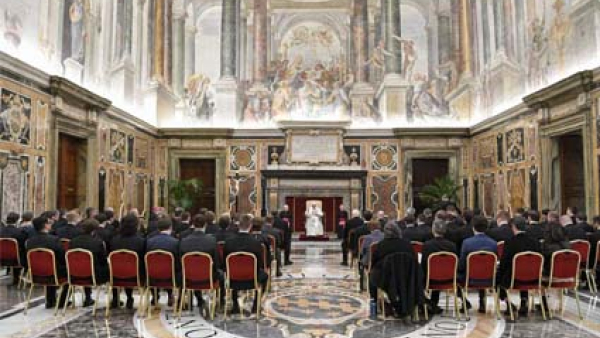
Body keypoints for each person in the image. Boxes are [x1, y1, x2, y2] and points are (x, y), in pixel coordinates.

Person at [496, 216, 542, 316]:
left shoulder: (510, 242)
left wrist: (498, 273)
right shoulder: (535, 242)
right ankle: (524, 300)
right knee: (524, 269)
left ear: (513, 226)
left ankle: (508, 302)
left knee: (499, 277)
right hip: (534, 277)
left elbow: (504, 262)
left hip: (514, 278)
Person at [224, 214, 268, 313]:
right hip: (252, 279)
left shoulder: (229, 242)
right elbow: (260, 264)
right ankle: (256, 305)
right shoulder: (256, 243)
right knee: (265, 276)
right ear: (250, 226)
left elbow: (225, 262)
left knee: (232, 269)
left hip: (232, 280)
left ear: (238, 226)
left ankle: (235, 304)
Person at [179, 214, 222, 312]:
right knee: (221, 275)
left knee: (189, 270)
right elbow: (217, 262)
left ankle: (183, 301)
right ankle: (220, 303)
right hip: (208, 278)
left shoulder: (184, 241)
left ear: (193, 224)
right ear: (205, 225)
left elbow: (180, 261)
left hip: (188, 278)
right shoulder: (211, 241)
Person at [26, 217, 69, 309]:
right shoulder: (54, 240)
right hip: (54, 273)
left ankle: (50, 301)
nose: (51, 225)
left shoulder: (29, 241)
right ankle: (62, 301)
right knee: (69, 272)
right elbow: (62, 256)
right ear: (45, 225)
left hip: (35, 273)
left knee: (51, 267)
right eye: (49, 223)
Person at [458, 216, 497, 313]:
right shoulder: (493, 243)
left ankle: (464, 301)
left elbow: (462, 265)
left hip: (470, 279)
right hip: (489, 279)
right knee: (483, 269)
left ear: (473, 227)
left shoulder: (467, 243)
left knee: (455, 276)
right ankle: (482, 301)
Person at [369, 222, 414, 302]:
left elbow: (374, 263)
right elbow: (414, 260)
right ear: (398, 231)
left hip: (386, 279)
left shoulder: (380, 245)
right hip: (406, 276)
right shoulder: (407, 244)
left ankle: (374, 303)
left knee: (372, 275)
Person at [70, 218, 109, 307]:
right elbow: (102, 260)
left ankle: (88, 296)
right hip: (93, 275)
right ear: (95, 230)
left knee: (85, 266)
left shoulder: (73, 241)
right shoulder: (98, 242)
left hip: (74, 274)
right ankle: (115, 298)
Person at [110, 214, 146, 309]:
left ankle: (115, 298)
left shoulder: (114, 240)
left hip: (115, 275)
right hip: (136, 275)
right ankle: (130, 297)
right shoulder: (141, 241)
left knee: (117, 266)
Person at [422, 220, 458, 314]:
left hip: (430, 280)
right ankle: (433, 305)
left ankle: (429, 304)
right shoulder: (452, 246)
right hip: (450, 280)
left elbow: (424, 265)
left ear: (433, 230)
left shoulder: (427, 245)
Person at [146, 217, 180, 306]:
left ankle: (155, 295)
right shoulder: (175, 242)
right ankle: (171, 295)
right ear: (170, 227)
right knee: (176, 268)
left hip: (152, 276)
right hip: (171, 276)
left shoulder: (149, 242)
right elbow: (178, 262)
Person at [0, 212, 26, 285]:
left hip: (1, 257)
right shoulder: (19, 232)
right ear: (17, 221)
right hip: (15, 259)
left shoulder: (1, 230)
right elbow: (22, 244)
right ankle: (17, 278)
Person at [359, 220, 384, 291]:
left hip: (370, 262)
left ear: (369, 228)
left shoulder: (367, 238)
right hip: (382, 261)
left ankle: (362, 286)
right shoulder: (384, 236)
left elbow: (362, 252)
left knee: (362, 261)